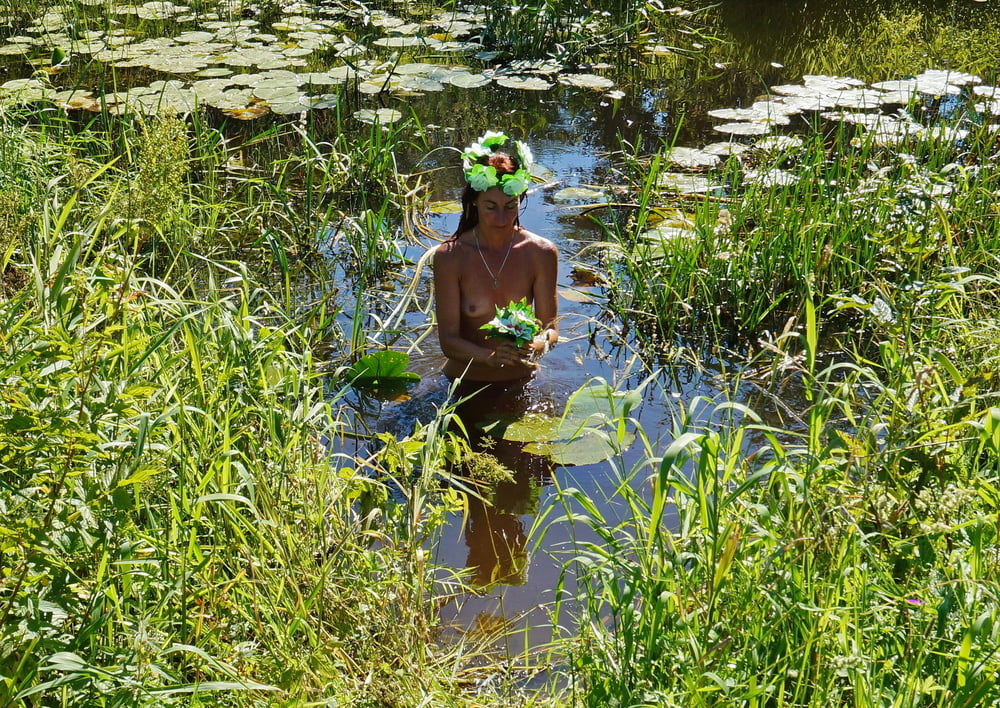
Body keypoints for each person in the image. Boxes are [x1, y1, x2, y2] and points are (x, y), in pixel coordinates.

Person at [432, 131, 558, 390]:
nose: (501, 219)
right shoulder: (451, 257)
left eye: (510, 206)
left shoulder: (541, 252)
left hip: (523, 380)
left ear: (520, 200)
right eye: (491, 207)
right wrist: (490, 358)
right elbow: (449, 341)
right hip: (462, 382)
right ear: (474, 203)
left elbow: (550, 329)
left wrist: (538, 344)